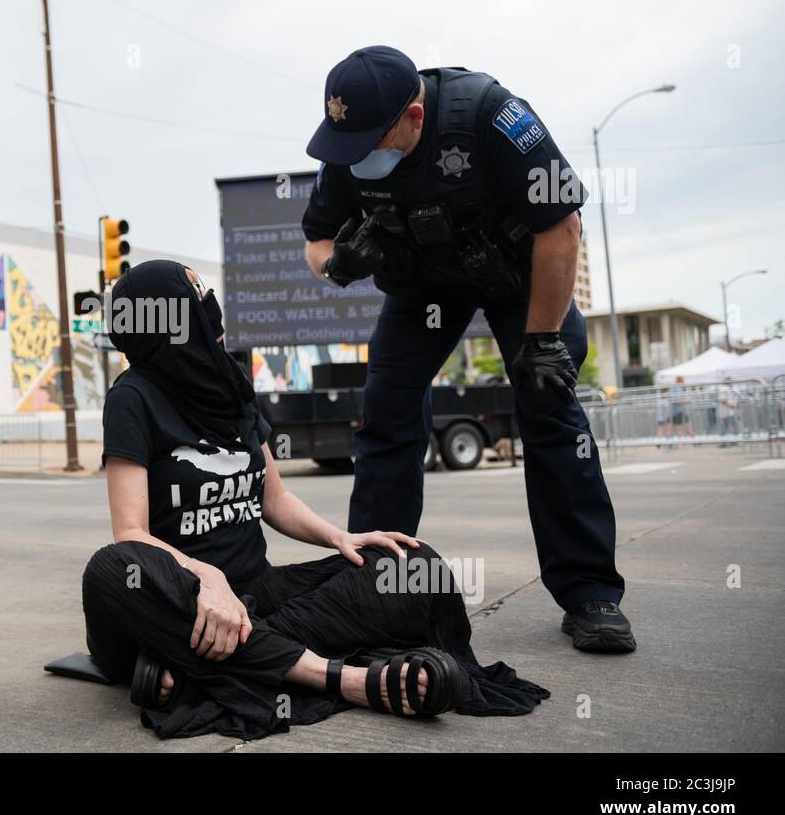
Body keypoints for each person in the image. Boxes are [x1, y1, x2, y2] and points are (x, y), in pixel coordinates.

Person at [82, 260, 548, 739]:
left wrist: (342, 537)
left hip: (256, 602)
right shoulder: (132, 398)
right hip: (179, 602)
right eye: (199, 299)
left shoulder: (232, 389)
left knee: (408, 565)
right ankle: (348, 680)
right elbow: (132, 533)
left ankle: (195, 671)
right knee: (111, 568)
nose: (212, 309)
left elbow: (275, 497)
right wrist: (206, 576)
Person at [302, 46, 634, 653]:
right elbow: (316, 238)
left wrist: (539, 343)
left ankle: (591, 593)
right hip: (422, 287)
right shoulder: (348, 146)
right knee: (387, 411)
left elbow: (560, 226)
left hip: (516, 278)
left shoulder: (491, 116)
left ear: (415, 119)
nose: (357, 158)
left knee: (550, 406)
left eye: (372, 142)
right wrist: (337, 265)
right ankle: (380, 585)